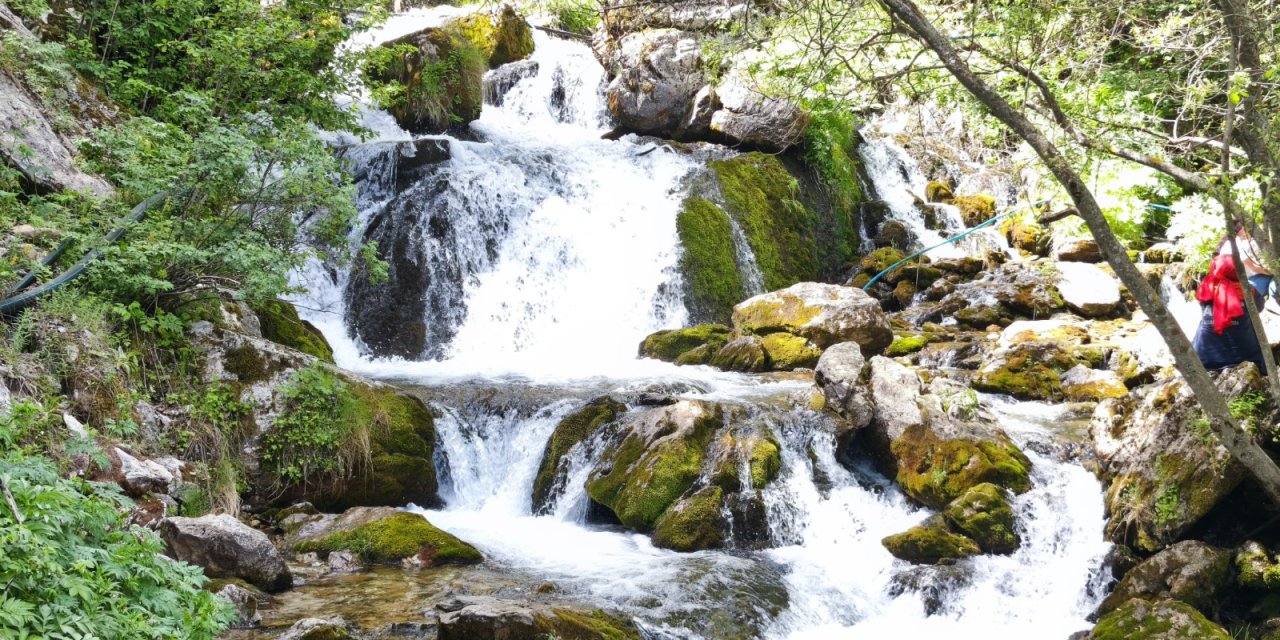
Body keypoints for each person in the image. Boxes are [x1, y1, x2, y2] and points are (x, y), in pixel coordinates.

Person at [1193, 253, 1266, 371]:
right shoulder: (1249, 291)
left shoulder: (1205, 287)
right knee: (1251, 325)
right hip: (1244, 357)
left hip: (1205, 357)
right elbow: (1259, 309)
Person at [1218, 221, 1273, 302]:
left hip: (1231, 285)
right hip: (1242, 285)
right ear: (1243, 229)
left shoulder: (1230, 243)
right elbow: (1255, 268)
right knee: (1274, 279)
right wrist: (1274, 271)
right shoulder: (1236, 245)